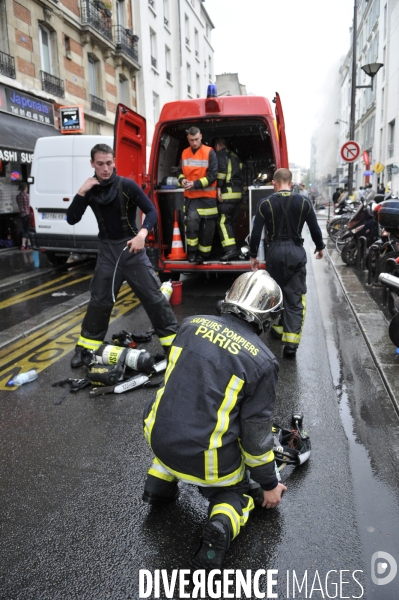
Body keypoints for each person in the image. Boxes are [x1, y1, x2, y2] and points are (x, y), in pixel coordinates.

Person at [142, 270, 287, 569]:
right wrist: (269, 483)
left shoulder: (190, 325)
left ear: (230, 297)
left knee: (184, 417)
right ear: (268, 316)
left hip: (157, 437)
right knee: (239, 491)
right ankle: (221, 525)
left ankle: (158, 483)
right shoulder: (262, 361)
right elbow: (255, 438)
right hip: (204, 461)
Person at [66, 143, 178, 368]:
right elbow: (71, 218)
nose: (105, 168)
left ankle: (174, 347)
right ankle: (86, 348)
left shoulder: (126, 185)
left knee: (154, 299)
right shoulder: (90, 189)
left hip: (133, 250)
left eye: (109, 163)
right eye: (100, 164)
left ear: (114, 162)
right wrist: (81, 192)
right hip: (108, 252)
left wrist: (142, 234)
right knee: (100, 301)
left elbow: (151, 211)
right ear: (92, 164)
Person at [249, 168, 325, 358]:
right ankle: (290, 346)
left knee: (276, 293)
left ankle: (276, 330)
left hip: (273, 253)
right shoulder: (304, 202)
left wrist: (253, 256)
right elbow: (314, 229)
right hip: (295, 252)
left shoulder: (264, 203)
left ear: (274, 182)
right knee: (294, 297)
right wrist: (320, 247)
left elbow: (256, 233)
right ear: (291, 183)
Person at [177, 127, 218, 264]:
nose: (194, 143)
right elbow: (179, 171)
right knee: (192, 225)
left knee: (207, 230)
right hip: (191, 198)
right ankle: (193, 254)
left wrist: (195, 184)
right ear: (188, 139)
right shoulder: (184, 153)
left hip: (208, 198)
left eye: (196, 139)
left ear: (201, 136)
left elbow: (212, 176)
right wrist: (182, 180)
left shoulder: (209, 152)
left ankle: (204, 255)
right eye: (191, 140)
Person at [214, 138, 244, 261]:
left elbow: (221, 171)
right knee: (231, 223)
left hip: (227, 194)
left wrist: (219, 187)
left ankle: (230, 250)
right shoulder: (235, 156)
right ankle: (232, 247)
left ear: (218, 146)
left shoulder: (221, 154)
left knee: (222, 221)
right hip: (237, 194)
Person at [16, 183, 32, 250]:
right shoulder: (27, 196)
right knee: (27, 229)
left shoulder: (18, 196)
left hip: (21, 215)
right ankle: (25, 244)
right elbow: (30, 205)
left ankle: (26, 244)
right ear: (25, 188)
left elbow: (19, 204)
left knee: (24, 229)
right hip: (27, 214)